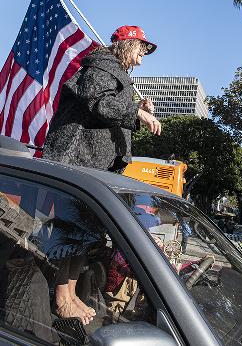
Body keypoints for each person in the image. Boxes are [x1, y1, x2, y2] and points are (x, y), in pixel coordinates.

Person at [43, 25, 161, 324]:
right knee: (69, 232)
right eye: (140, 50)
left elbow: (112, 104)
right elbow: (100, 102)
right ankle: (61, 298)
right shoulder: (101, 66)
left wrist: (136, 106)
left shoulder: (113, 71)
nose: (142, 58)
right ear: (127, 46)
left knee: (83, 235)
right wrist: (136, 112)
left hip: (95, 165)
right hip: (77, 158)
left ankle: (70, 296)